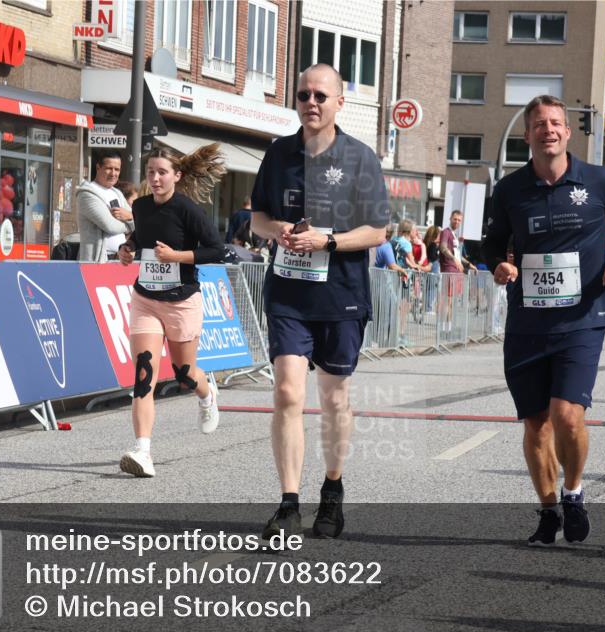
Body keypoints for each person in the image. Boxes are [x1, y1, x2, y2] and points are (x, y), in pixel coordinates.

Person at [483, 94, 605, 547]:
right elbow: (491, 242)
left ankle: (573, 493)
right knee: (536, 424)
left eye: (555, 123)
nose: (548, 130)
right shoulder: (511, 189)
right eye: (539, 124)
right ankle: (549, 510)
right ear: (527, 133)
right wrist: (499, 264)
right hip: (528, 323)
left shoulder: (598, 181)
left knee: (567, 416)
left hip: (582, 318)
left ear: (568, 132)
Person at [250, 63, 389, 539]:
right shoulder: (278, 153)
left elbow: (378, 230)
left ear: (339, 103)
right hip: (288, 293)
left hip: (341, 295)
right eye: (304, 94)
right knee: (288, 391)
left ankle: (332, 488)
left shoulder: (361, 158)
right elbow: (258, 219)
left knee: (334, 399)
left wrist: (326, 241)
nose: (311, 102)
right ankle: (289, 503)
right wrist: (278, 232)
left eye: (320, 96)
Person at [114, 145, 227, 478]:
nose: (155, 178)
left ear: (176, 175)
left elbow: (216, 251)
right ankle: (142, 451)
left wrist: (177, 257)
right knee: (144, 372)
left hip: (181, 301)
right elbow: (141, 235)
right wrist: (128, 248)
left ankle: (207, 393)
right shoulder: (142, 207)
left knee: (184, 374)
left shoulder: (188, 210)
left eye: (162, 172)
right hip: (146, 298)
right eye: (150, 172)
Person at [77, 150, 133, 263]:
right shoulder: (86, 193)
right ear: (98, 167)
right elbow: (110, 226)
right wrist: (130, 222)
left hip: (120, 259)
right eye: (109, 168)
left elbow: (138, 220)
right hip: (97, 261)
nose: (113, 173)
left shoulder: (117, 193)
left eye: (117, 169)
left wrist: (130, 217)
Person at [440, 210, 477, 332]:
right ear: (450, 218)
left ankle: (448, 328)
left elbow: (458, 255)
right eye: (455, 219)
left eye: (459, 220)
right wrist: (454, 259)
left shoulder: (454, 234)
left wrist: (468, 264)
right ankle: (443, 328)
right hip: (448, 270)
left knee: (451, 302)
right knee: (447, 301)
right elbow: (443, 248)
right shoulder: (446, 232)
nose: (456, 221)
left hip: (456, 270)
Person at [423, 224, 441, 312]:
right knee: (432, 288)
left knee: (429, 288)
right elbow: (433, 257)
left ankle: (426, 307)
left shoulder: (427, 243)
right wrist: (438, 255)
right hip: (433, 267)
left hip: (429, 267)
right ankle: (428, 308)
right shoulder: (433, 245)